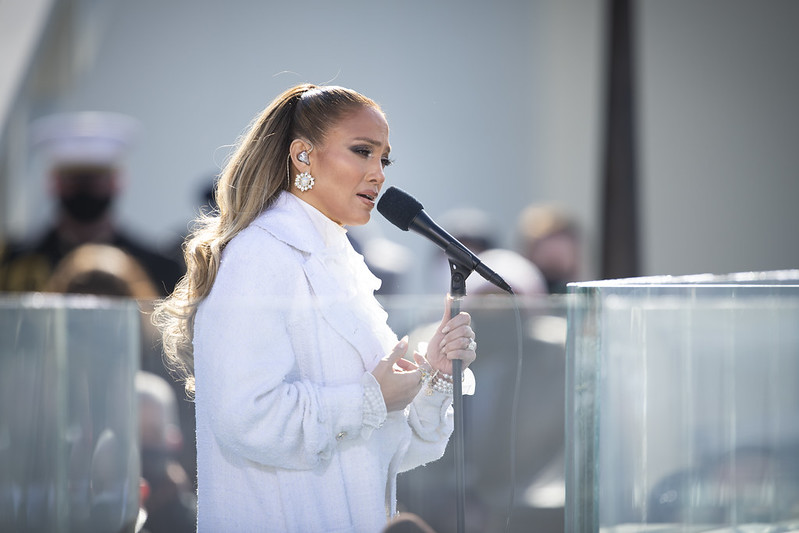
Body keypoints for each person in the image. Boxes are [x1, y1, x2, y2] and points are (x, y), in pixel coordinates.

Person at [151, 83, 478, 532]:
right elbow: (246, 416)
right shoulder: (259, 255)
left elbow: (379, 449)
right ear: (303, 155)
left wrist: (434, 376)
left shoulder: (339, 263)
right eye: (362, 151)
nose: (378, 174)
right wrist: (370, 398)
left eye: (384, 159)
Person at [0, 111, 184, 296]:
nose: (84, 188)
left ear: (116, 182)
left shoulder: (159, 269)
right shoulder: (14, 264)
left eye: (95, 178)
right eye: (74, 179)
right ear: (54, 183)